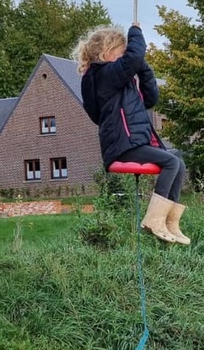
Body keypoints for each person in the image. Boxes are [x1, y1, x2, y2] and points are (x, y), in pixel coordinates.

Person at [72, 23, 190, 244]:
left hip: (133, 143)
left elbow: (151, 99)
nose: (127, 56)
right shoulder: (103, 75)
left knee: (178, 161)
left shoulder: (121, 83)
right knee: (171, 163)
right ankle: (154, 220)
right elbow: (133, 57)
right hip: (122, 146)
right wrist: (135, 31)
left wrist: (143, 68)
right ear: (107, 53)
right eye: (122, 52)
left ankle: (170, 222)